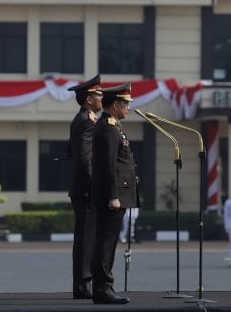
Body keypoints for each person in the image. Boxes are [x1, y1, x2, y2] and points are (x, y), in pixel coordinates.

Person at [90, 81, 138, 305]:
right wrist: (113, 195)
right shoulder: (109, 127)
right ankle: (103, 289)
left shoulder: (113, 125)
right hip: (112, 195)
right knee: (106, 242)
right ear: (115, 104)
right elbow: (108, 165)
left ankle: (103, 287)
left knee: (107, 241)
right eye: (125, 103)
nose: (129, 107)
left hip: (116, 193)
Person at [66, 75, 102, 300]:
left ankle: (83, 284)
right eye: (98, 95)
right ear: (89, 100)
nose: (102, 98)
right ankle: (83, 285)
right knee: (87, 239)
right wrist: (95, 185)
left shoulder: (81, 119)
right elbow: (84, 158)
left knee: (85, 238)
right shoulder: (88, 121)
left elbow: (71, 151)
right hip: (87, 189)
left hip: (82, 188)